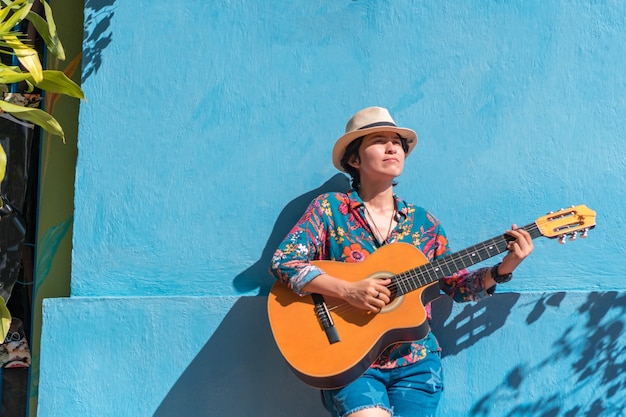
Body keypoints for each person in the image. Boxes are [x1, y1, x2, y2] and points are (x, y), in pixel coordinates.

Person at [269, 106, 534, 417]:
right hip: (351, 361)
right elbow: (285, 261)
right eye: (379, 141)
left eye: (398, 142)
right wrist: (348, 290)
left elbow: (457, 287)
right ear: (355, 160)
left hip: (416, 363)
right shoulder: (330, 209)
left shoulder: (424, 223)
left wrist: (505, 267)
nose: (393, 147)